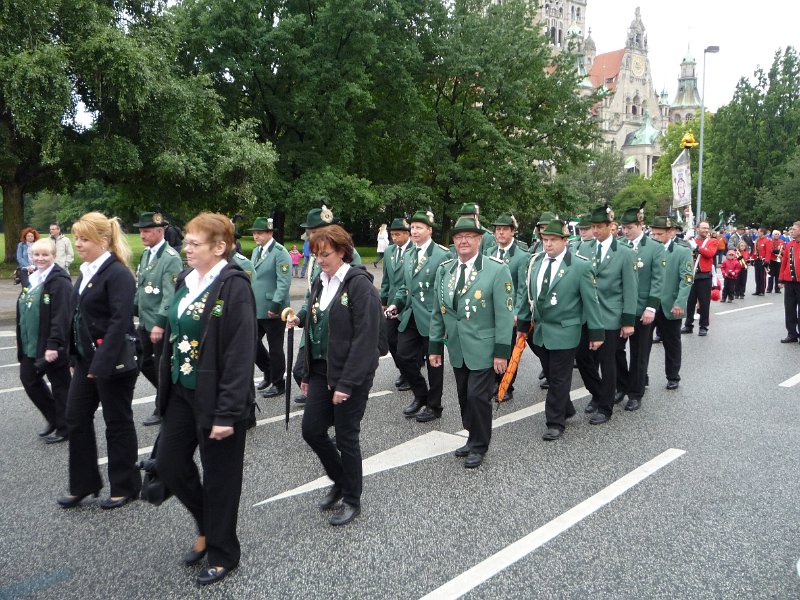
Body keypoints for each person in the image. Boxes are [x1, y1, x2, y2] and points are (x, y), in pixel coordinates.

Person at [156, 212, 256, 586]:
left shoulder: (234, 286)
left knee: (221, 479)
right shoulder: (186, 279)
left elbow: (239, 354)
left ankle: (223, 551)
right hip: (182, 391)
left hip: (218, 398)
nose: (187, 248)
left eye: (195, 243)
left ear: (220, 247)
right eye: (187, 242)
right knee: (168, 463)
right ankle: (206, 525)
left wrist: (228, 412)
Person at [287, 223, 381, 526]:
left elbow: (366, 339)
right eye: (316, 254)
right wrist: (298, 321)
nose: (321, 259)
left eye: (325, 254)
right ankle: (340, 479)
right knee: (312, 430)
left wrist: (348, 383)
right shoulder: (320, 280)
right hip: (321, 370)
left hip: (350, 373)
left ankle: (352, 498)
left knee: (346, 436)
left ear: (342, 251)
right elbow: (315, 321)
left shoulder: (359, 285)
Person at [57, 212, 141, 510]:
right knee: (75, 417)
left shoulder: (117, 273)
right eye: (77, 238)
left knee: (116, 421)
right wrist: (71, 352)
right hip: (85, 360)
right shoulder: (88, 270)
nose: (77, 244)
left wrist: (101, 364)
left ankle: (126, 485)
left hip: (112, 362)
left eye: (83, 239)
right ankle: (84, 483)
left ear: (103, 240)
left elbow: (120, 321)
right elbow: (77, 316)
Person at [429, 216, 514, 467]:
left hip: (484, 347)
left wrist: (501, 352)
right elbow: (438, 311)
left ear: (479, 239)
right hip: (456, 346)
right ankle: (472, 435)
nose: (463, 240)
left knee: (478, 396)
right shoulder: (445, 270)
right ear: (453, 241)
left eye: (469, 236)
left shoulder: (497, 269)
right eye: (458, 236)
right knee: (464, 396)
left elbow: (504, 313)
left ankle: (479, 444)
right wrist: (434, 346)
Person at [516, 219, 604, 440]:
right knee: (550, 370)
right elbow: (527, 296)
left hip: (566, 330)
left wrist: (596, 332)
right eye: (545, 240)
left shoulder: (579, 265)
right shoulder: (534, 262)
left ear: (565, 240)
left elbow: (591, 302)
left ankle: (555, 422)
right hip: (541, 330)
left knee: (558, 377)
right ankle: (567, 408)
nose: (548, 244)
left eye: (553, 240)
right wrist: (523, 326)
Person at [290, 205, 364, 406]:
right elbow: (312, 293)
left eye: (314, 231)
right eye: (309, 231)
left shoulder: (344, 254)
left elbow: (349, 289)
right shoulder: (316, 258)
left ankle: (327, 404)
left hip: (335, 327)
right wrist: (301, 316)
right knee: (301, 370)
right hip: (315, 324)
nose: (309, 235)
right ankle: (319, 399)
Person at [385, 210, 451, 423]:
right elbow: (406, 287)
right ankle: (421, 395)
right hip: (410, 316)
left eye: (419, 227)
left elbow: (446, 291)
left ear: (429, 230)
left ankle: (434, 406)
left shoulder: (442, 255)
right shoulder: (410, 254)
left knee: (434, 364)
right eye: (412, 227)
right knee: (403, 356)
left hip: (433, 319)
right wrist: (396, 303)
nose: (414, 231)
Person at [574, 204, 637, 422]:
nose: (595, 231)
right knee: (582, 356)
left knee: (607, 361)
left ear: (611, 227)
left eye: (599, 226)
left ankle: (605, 407)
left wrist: (628, 321)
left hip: (610, 315)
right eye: (593, 227)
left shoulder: (624, 253)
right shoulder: (584, 249)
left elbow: (630, 288)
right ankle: (598, 392)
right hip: (586, 314)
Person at [16, 238, 73, 444]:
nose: (40, 258)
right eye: (36, 255)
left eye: (45, 255)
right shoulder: (34, 278)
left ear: (53, 256)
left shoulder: (59, 281)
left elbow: (62, 316)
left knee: (60, 386)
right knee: (29, 380)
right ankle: (54, 418)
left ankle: (65, 427)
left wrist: (54, 344)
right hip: (31, 344)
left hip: (51, 345)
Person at [133, 212, 184, 427]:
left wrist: (160, 323)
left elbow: (170, 295)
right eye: (141, 231)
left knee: (161, 365)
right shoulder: (148, 254)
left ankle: (162, 406)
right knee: (144, 362)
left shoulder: (170, 258)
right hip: (145, 320)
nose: (142, 234)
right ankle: (168, 393)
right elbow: (142, 286)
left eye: (146, 231)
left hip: (158, 323)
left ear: (159, 231)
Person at [615, 204, 663, 412]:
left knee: (639, 352)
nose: (626, 231)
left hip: (642, 309)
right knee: (615, 351)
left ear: (640, 225)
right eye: (623, 228)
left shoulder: (654, 248)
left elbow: (658, 280)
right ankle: (622, 384)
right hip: (620, 309)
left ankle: (636, 392)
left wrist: (651, 308)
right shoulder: (618, 246)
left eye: (630, 227)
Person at [649, 216, 693, 389]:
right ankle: (641, 377)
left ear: (671, 232)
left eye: (659, 234)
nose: (655, 237)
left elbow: (687, 279)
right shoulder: (650, 249)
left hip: (671, 304)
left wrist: (680, 302)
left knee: (672, 343)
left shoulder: (682, 251)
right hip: (649, 305)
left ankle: (673, 376)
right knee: (642, 345)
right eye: (653, 234)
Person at [249, 217, 291, 397]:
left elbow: (284, 282)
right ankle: (267, 370)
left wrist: (275, 304)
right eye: (254, 233)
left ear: (269, 233)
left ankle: (278, 382)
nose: (255, 236)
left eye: (259, 232)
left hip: (274, 309)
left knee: (275, 347)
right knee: (252, 342)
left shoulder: (280, 252)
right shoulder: (257, 251)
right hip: (257, 308)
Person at [489, 213, 529, 401]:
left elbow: (522, 288)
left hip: (510, 311)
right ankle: (494, 381)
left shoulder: (521, 256)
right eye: (498, 230)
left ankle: (507, 385)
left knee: (508, 346)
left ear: (513, 231)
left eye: (505, 229)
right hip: (491, 310)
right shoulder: (488, 253)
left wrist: (516, 313)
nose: (501, 233)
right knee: (491, 345)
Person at [379, 217, 414, 392]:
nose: (394, 237)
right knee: (389, 337)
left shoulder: (415, 251)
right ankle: (403, 370)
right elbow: (386, 278)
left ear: (408, 234)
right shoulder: (390, 251)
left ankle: (410, 374)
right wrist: (384, 301)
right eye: (392, 234)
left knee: (407, 343)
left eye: (398, 234)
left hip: (409, 303)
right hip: (393, 302)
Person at [681, 221, 717, 336]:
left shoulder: (712, 241)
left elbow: (710, 253)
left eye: (707, 228)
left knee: (704, 302)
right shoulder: (692, 240)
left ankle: (703, 326)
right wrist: (685, 240)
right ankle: (688, 325)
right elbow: (680, 250)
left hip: (704, 275)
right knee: (690, 302)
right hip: (691, 274)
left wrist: (697, 247)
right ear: (697, 229)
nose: (706, 230)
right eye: (703, 228)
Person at [778, 221, 800, 343]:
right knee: (790, 308)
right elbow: (784, 262)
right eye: (791, 229)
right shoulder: (789, 245)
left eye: (794, 229)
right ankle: (792, 333)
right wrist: (781, 278)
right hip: (790, 281)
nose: (792, 231)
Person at [751, 227, 772, 296]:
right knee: (757, 276)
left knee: (762, 276)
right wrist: (752, 259)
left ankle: (762, 290)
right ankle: (757, 290)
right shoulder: (757, 240)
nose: (757, 233)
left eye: (759, 232)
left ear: (762, 233)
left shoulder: (767, 241)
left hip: (763, 260)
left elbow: (768, 252)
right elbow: (755, 250)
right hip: (757, 260)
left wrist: (767, 261)